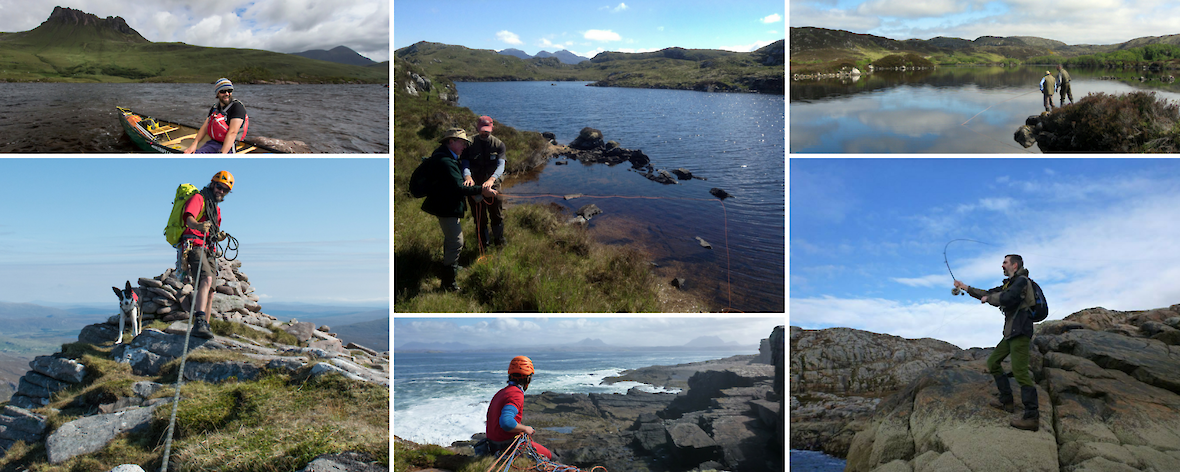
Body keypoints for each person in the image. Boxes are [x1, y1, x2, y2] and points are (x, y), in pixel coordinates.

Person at [953, 254, 1040, 431]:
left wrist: (989, 300)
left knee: (1020, 372)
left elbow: (1007, 299)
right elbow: (988, 293)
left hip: (1021, 332)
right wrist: (965, 287)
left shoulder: (1022, 282)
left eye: (1005, 262)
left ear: (1014, 265)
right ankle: (1006, 400)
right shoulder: (1009, 284)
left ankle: (1032, 417)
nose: (1002, 265)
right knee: (993, 362)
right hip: (1011, 333)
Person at [421, 128, 497, 291]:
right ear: (451, 142)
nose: (465, 146)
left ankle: (452, 267)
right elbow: (459, 188)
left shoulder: (445, 155)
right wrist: (481, 191)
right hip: (445, 207)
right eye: (462, 143)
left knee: (451, 239)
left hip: (445, 204)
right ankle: (448, 283)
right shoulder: (446, 161)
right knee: (456, 242)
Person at [179, 171, 234, 339]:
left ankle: (205, 327)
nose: (221, 191)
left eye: (225, 190)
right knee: (206, 279)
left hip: (208, 248)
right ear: (212, 184)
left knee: (211, 290)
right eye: (219, 187)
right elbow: (189, 219)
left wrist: (218, 236)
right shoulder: (199, 199)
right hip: (194, 246)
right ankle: (199, 321)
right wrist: (198, 226)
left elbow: (212, 231)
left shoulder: (215, 210)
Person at [485, 356, 553, 460]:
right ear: (528, 378)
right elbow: (506, 423)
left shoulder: (502, 392)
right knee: (552, 456)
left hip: (493, 445)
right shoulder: (516, 394)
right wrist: (526, 428)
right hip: (507, 446)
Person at [461, 116, 508, 248]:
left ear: (492, 128)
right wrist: (468, 177)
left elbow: (501, 166)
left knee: (497, 215)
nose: (484, 133)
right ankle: (484, 244)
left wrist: (492, 180)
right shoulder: (468, 143)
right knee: (479, 217)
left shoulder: (499, 144)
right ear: (477, 128)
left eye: (487, 130)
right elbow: (464, 163)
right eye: (482, 130)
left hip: (493, 186)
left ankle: (499, 240)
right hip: (474, 186)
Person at [184, 78, 248, 154]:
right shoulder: (215, 107)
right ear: (217, 93)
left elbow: (233, 132)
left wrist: (221, 155)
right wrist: (194, 144)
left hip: (229, 147)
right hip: (214, 143)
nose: (227, 94)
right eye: (223, 91)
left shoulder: (237, 107)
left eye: (229, 91)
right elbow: (205, 126)